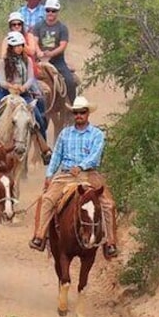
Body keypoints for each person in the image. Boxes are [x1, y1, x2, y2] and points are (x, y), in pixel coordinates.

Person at [29, 96, 118, 259]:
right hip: (67, 174)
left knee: (108, 204)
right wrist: (49, 175)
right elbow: (56, 155)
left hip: (89, 174)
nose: (79, 115)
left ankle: (110, 243)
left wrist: (82, 166)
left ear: (87, 114)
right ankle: (40, 235)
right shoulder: (65, 134)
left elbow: (95, 155)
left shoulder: (97, 134)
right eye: (76, 112)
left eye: (82, 112)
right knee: (47, 199)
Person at [0, 31, 50, 149]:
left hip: (23, 93)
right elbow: (2, 81)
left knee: (38, 118)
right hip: (5, 91)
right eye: (17, 45)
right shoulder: (3, 62)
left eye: (21, 45)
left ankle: (44, 148)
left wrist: (24, 87)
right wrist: (11, 86)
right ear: (11, 47)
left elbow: (30, 78)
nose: (19, 48)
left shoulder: (27, 61)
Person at [33, 0, 77, 103]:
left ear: (58, 12)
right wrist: (39, 52)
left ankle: (72, 107)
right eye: (48, 10)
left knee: (70, 81)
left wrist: (51, 54)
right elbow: (34, 41)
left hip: (57, 61)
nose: (50, 13)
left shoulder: (62, 28)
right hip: (40, 60)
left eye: (54, 10)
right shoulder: (38, 26)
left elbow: (62, 45)